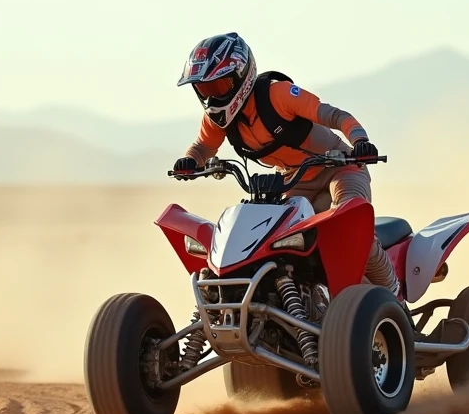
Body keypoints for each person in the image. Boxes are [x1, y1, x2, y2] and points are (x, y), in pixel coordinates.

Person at [172, 32, 402, 298]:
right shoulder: (218, 119)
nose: (211, 98)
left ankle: (395, 299)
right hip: (296, 181)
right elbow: (203, 147)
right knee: (278, 243)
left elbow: (335, 115)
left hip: (341, 168)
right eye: (204, 90)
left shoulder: (277, 94)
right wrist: (190, 161)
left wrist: (360, 141)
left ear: (241, 78)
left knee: (351, 229)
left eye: (218, 87)